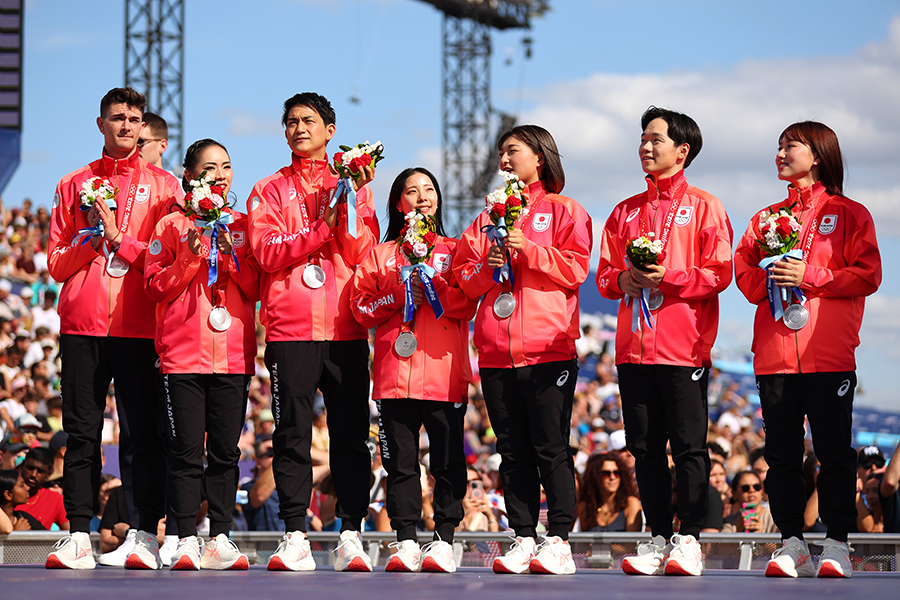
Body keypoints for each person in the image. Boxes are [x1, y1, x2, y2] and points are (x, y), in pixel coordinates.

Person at [734, 121, 882, 579]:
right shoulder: (765, 218)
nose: (780, 153)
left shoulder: (850, 213)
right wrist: (768, 280)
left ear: (817, 154)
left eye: (790, 146)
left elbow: (868, 275)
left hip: (829, 356)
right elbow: (742, 271)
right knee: (780, 456)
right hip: (775, 356)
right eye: (778, 146)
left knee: (835, 453)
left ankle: (837, 543)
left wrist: (810, 276)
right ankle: (792, 542)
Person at [596, 106, 733, 577]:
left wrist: (667, 277)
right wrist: (624, 280)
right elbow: (604, 278)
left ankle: (689, 539)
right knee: (646, 448)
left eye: (655, 139)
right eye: (642, 138)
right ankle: (656, 536)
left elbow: (719, 274)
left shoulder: (706, 206)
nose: (645, 146)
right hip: (633, 351)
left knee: (690, 447)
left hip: (684, 349)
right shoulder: (624, 210)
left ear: (682, 150)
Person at [45, 87, 178, 570]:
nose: (126, 125)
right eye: (117, 117)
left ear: (144, 128)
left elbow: (168, 258)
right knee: (82, 433)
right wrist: (92, 237)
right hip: (81, 326)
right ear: (100, 124)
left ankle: (145, 534)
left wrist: (122, 243)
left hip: (140, 326)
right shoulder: (72, 184)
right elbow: (56, 264)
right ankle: (79, 531)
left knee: (142, 433)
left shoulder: (166, 188)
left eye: (134, 118)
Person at [246, 92, 379, 572]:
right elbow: (266, 252)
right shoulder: (267, 189)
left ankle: (351, 532)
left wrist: (345, 207)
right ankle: (295, 533)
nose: (298, 128)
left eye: (308, 120)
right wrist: (320, 230)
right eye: (290, 121)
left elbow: (362, 249)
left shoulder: (355, 185)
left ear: (331, 131)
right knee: (291, 434)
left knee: (349, 436)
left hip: (345, 328)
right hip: (291, 330)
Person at [455, 124, 592, 575]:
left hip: (548, 349)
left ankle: (559, 540)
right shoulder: (486, 216)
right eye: (501, 153)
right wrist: (486, 267)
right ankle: (523, 536)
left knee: (550, 446)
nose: (504, 161)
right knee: (511, 450)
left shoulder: (565, 210)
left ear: (540, 155)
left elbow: (575, 270)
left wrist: (528, 250)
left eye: (512, 151)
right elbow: (463, 282)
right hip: (495, 351)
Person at [351, 167, 476, 573]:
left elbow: (468, 303)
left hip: (444, 375)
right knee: (400, 466)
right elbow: (361, 308)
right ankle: (405, 540)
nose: (422, 197)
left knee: (447, 463)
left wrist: (433, 290)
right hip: (393, 378)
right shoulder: (381, 255)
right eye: (411, 190)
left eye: (428, 190)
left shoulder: (457, 250)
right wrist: (398, 296)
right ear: (397, 202)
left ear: (437, 199)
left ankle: (443, 540)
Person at [145, 139, 260, 570]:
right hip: (183, 355)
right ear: (190, 176)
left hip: (232, 354)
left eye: (227, 165)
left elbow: (256, 287)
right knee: (186, 450)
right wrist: (190, 260)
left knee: (227, 452)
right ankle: (183, 536)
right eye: (210, 166)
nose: (220, 173)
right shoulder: (171, 225)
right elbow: (155, 286)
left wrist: (229, 255)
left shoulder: (244, 225)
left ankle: (221, 536)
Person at [575, 452, 642, 532]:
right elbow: (584, 542)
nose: (612, 477)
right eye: (606, 473)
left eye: (616, 473)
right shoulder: (585, 507)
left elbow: (632, 543)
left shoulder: (631, 504)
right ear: (595, 476)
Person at [15, 446, 67, 530]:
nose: (33, 474)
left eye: (40, 471)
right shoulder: (7, 493)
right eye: (30, 468)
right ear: (22, 466)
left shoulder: (55, 499)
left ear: (49, 474)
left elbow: (71, 534)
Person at [1, 468, 43, 532]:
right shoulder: (22, 524)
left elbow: (51, 539)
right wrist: (17, 535)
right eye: (22, 485)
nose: (28, 488)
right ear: (8, 494)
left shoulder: (24, 518)